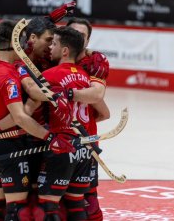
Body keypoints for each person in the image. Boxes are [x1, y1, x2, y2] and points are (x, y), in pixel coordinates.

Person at [0, 19, 76, 221]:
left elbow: (8, 33)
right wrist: (50, 137)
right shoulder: (8, 75)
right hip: (11, 145)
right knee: (16, 212)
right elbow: (20, 117)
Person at [25, 26, 92, 220]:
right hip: (85, 147)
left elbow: (28, 110)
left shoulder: (51, 75)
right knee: (77, 203)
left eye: (54, 43)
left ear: (64, 51)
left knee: (48, 204)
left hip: (61, 145)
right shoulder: (84, 76)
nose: (50, 48)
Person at [66, 18, 111, 221]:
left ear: (88, 39)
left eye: (82, 36)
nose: (77, 38)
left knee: (89, 200)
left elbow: (97, 98)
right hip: (55, 139)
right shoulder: (53, 57)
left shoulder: (95, 61)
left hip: (85, 141)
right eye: (73, 33)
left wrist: (68, 94)